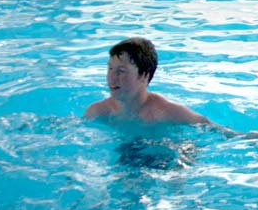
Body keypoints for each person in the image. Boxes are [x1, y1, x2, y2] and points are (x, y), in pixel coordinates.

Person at [83, 37, 238, 137]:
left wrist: (249, 139)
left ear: (144, 76)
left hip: (162, 153)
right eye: (110, 69)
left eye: (121, 71)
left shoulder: (164, 111)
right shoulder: (98, 111)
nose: (112, 77)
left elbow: (212, 128)